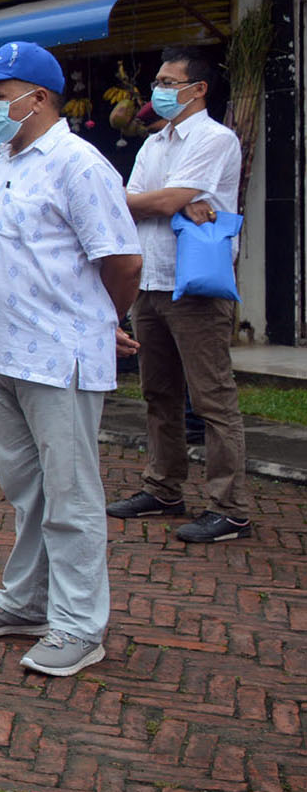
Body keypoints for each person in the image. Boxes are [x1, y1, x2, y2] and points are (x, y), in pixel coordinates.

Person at [0, 41, 142, 678]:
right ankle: (27, 601)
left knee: (71, 496)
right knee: (26, 490)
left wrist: (102, 320)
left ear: (38, 98)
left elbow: (122, 259)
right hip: (0, 352)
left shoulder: (78, 165)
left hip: (57, 357)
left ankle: (80, 626)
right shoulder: (5, 159)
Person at [108, 46, 251, 543]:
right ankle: (163, 487)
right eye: (159, 82)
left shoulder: (215, 138)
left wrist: (166, 203)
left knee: (212, 399)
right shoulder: (155, 142)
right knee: (158, 393)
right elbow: (123, 202)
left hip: (194, 286)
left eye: (170, 83)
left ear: (199, 90)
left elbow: (159, 199)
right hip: (150, 281)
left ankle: (230, 508)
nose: (159, 91)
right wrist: (173, 205)